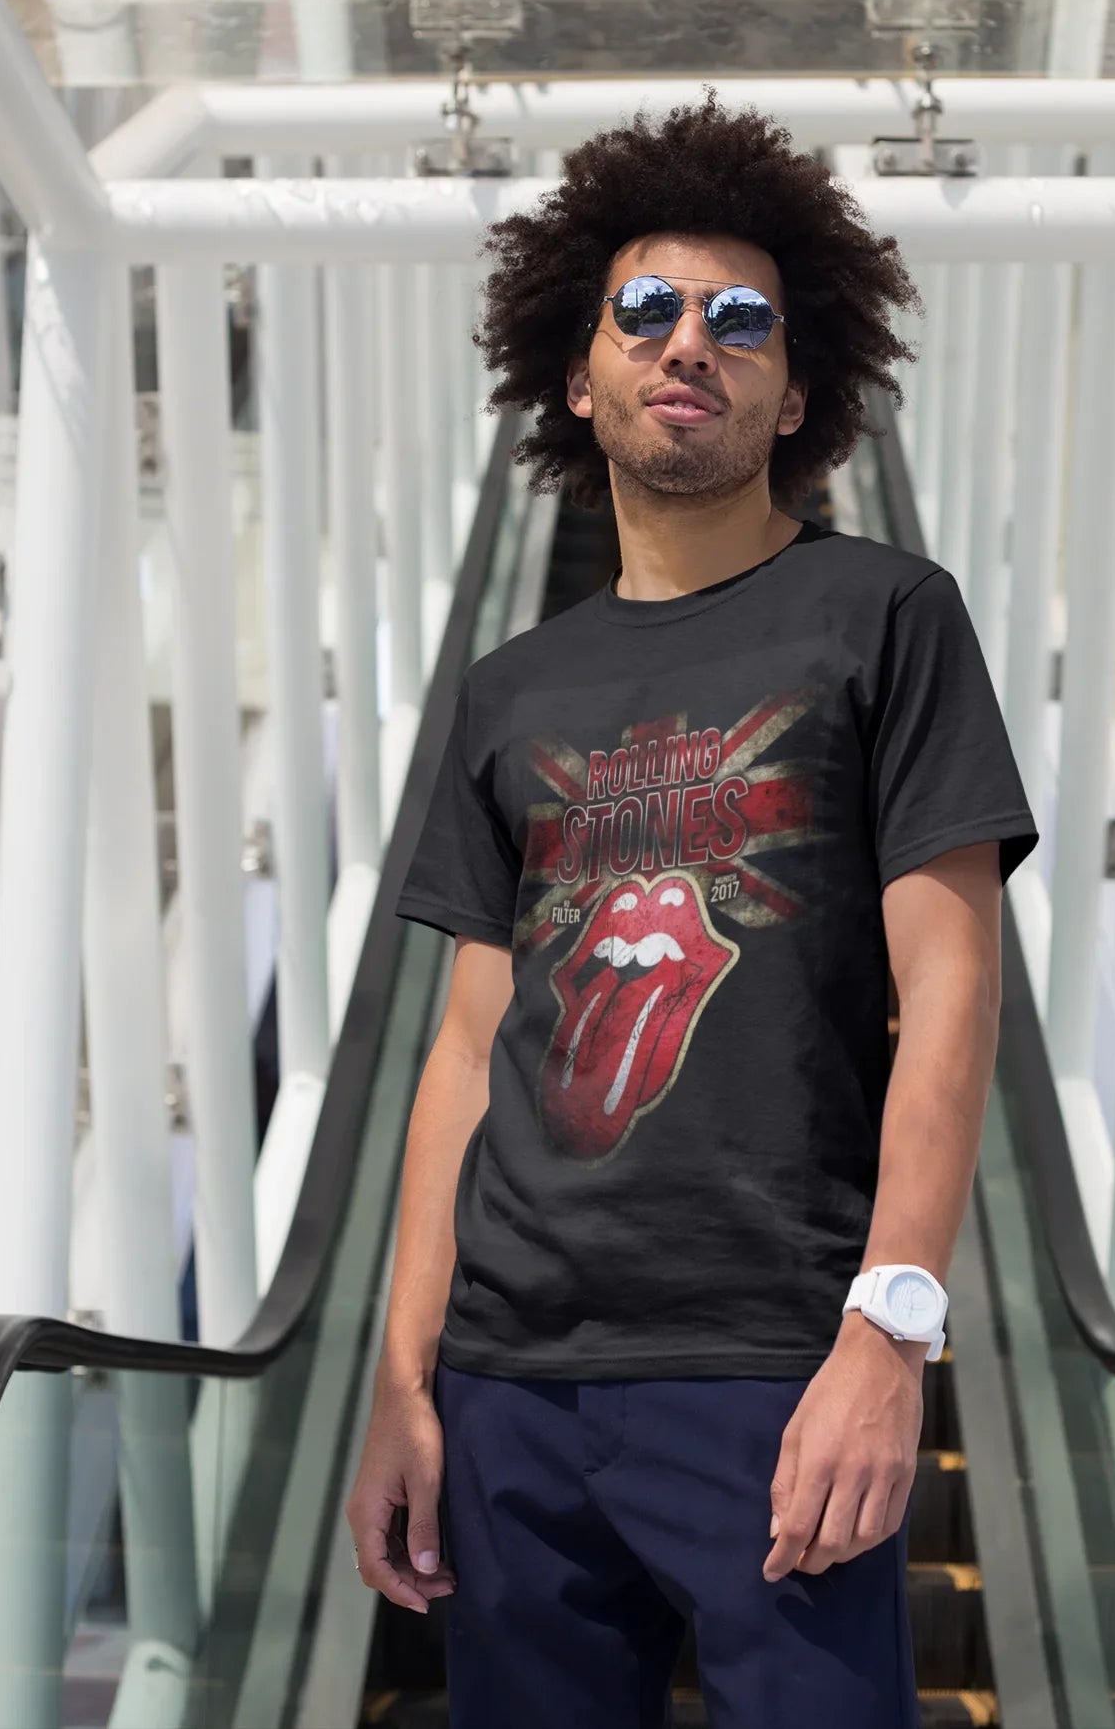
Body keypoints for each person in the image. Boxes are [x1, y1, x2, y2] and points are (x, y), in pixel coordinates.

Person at [346, 93, 1038, 1728]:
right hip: (510, 1384)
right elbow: (466, 1053)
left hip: (777, 1360)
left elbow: (951, 992)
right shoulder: (510, 689)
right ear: (577, 374)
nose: (689, 343)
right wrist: (400, 1385)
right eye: (647, 308)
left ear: (796, 391)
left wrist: (891, 1335)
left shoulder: (885, 614)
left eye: (741, 320)